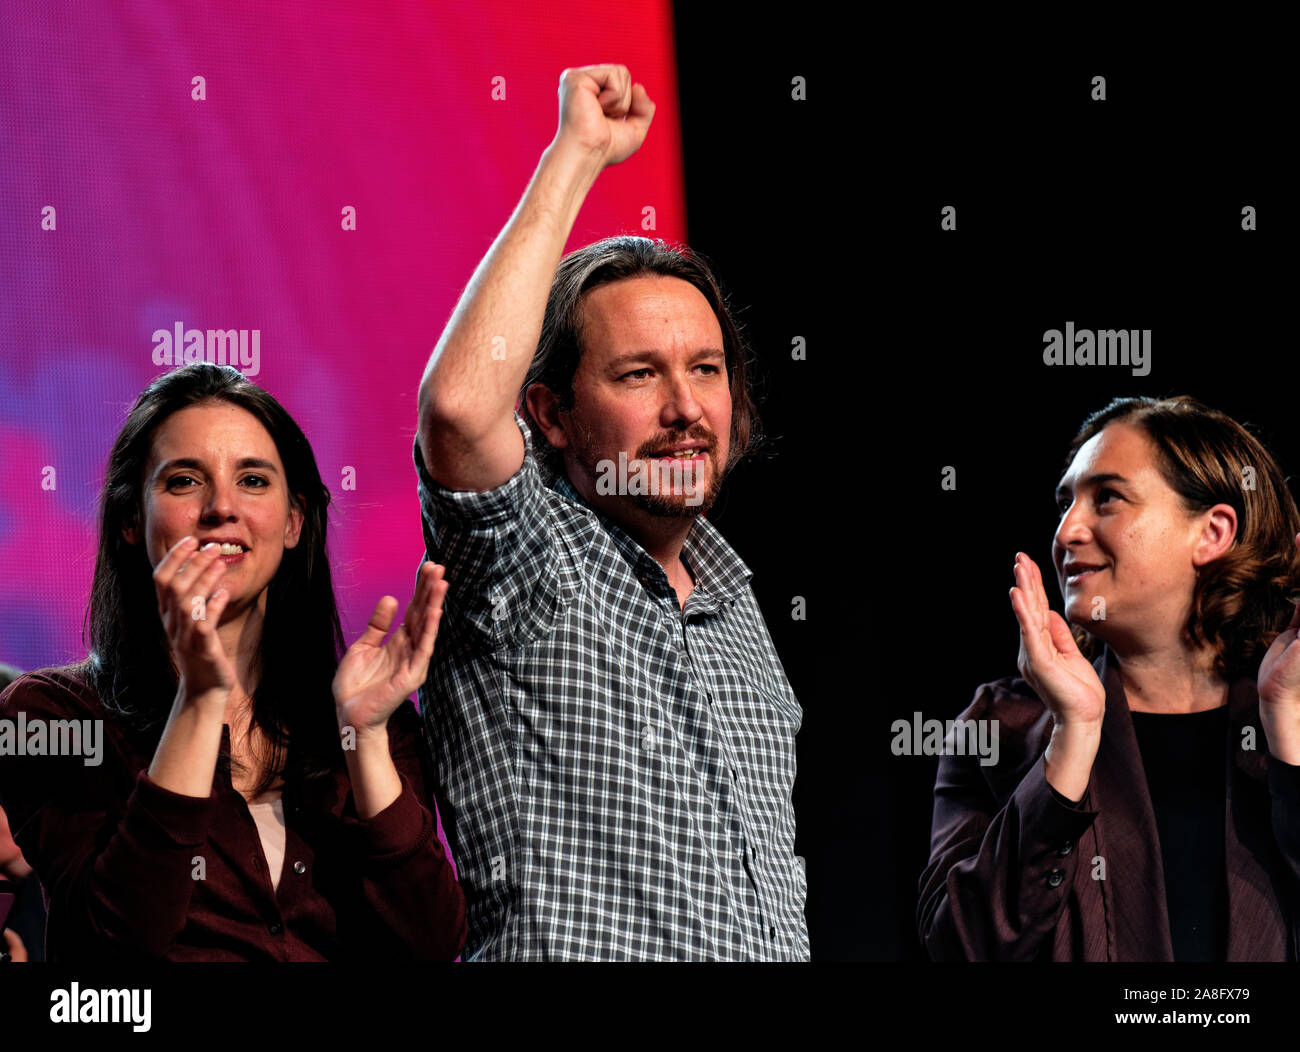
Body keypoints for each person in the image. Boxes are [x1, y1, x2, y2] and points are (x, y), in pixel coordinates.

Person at [414, 64, 807, 959]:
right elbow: (462, 412)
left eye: (706, 370)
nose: (687, 408)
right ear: (551, 412)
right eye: (640, 375)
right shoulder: (532, 562)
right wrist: (575, 156)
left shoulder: (735, 602)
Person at [0, 363, 466, 962]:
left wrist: (367, 739)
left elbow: (430, 945)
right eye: (184, 481)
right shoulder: (47, 716)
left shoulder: (366, 719)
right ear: (128, 521)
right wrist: (199, 698)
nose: (222, 507)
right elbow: (116, 948)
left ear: (295, 521)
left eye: (252, 480)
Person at [918, 395, 1300, 960]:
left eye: (1108, 499)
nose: (1067, 531)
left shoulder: (1286, 710)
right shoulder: (1000, 726)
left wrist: (1288, 728)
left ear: (1213, 533)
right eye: (1065, 503)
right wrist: (1072, 736)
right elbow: (960, 947)